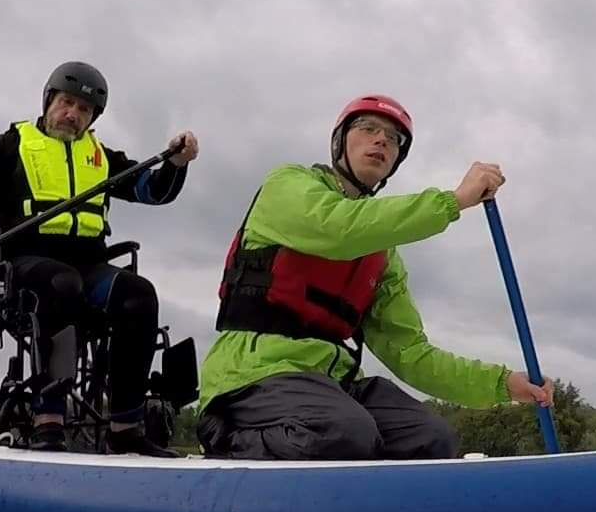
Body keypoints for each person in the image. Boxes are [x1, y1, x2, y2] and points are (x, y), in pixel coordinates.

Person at [197, 94, 554, 461]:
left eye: (394, 139)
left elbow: (411, 353)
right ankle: (225, 440)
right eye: (368, 129)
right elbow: (338, 228)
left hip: (328, 386)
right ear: (339, 142)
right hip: (250, 380)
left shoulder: (382, 256)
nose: (381, 140)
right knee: (344, 432)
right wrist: (453, 201)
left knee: (432, 439)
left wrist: (502, 383)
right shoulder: (288, 185)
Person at [0, 61, 199, 456]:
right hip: (22, 266)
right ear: (48, 102)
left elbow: (154, 191)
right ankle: (48, 419)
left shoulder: (102, 158)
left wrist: (175, 163)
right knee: (62, 284)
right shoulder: (7, 147)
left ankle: (125, 427)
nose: (73, 114)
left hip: (88, 264)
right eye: (66, 102)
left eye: (84, 109)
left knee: (139, 295)